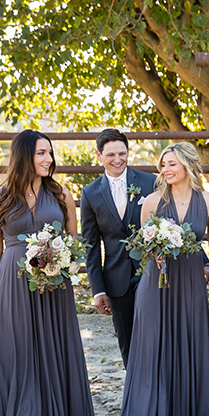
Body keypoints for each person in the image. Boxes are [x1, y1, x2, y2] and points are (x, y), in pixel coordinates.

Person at [0, 129, 102, 416]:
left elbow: (76, 243)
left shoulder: (62, 194)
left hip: (54, 285)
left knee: (54, 352)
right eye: (40, 153)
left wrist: (63, 261)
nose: (48, 159)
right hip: (16, 284)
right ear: (23, 156)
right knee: (21, 356)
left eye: (50, 152)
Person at [118, 142, 209, 416]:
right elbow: (142, 242)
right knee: (152, 343)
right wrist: (155, 254)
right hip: (157, 280)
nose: (165, 170)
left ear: (187, 165)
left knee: (186, 340)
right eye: (163, 165)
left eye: (172, 164)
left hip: (190, 279)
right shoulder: (151, 201)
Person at [79, 129, 157, 366]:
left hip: (150, 272)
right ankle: (135, 392)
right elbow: (91, 246)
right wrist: (97, 290)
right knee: (127, 341)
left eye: (122, 153)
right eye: (111, 154)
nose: (117, 159)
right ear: (99, 155)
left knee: (155, 336)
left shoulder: (149, 182)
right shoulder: (90, 193)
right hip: (115, 279)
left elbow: (170, 222)